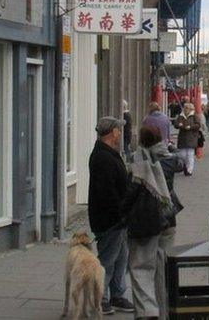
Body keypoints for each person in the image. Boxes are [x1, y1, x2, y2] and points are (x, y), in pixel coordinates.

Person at [125, 119, 186, 320]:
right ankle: (164, 312)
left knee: (142, 266)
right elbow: (182, 162)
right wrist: (170, 147)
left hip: (146, 221)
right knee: (163, 269)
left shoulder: (137, 161)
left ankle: (147, 311)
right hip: (168, 219)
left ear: (141, 140)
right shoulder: (169, 159)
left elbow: (130, 193)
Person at [87, 117, 135, 315]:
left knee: (122, 257)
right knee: (107, 259)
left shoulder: (109, 153)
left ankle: (117, 294)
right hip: (110, 219)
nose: (120, 132)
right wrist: (121, 212)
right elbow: (107, 192)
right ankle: (100, 298)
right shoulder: (102, 157)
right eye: (118, 129)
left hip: (119, 218)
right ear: (112, 132)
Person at [174, 103, 203, 175]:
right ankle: (185, 166)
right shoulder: (181, 116)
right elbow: (175, 124)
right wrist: (179, 125)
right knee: (182, 154)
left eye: (186, 108)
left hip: (192, 137)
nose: (185, 109)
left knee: (190, 154)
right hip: (182, 137)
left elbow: (198, 125)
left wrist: (190, 127)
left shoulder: (194, 116)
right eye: (184, 108)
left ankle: (189, 170)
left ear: (191, 109)